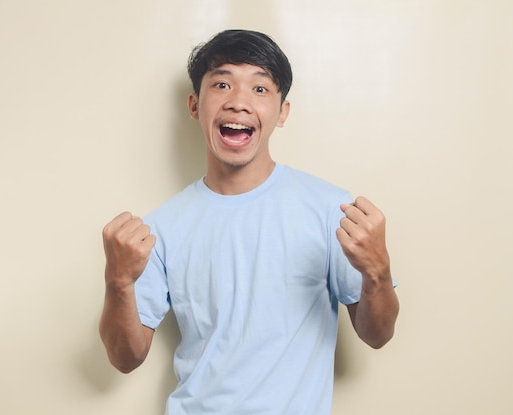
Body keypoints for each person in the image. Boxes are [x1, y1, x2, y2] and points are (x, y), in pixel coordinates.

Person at [99, 29, 399, 415]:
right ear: (194, 105)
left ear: (282, 112)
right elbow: (125, 358)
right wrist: (118, 282)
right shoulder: (160, 229)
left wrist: (377, 271)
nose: (239, 102)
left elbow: (378, 335)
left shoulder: (332, 210)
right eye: (222, 83)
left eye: (260, 89)